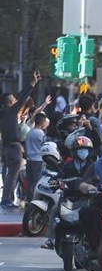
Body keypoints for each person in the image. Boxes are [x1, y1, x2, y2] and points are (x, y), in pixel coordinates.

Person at [1, 69, 41, 208]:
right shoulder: (12, 110)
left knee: (8, 174)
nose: (15, 100)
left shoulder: (2, 113)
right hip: (14, 147)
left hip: (4, 147)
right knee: (12, 175)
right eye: (13, 99)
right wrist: (32, 83)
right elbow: (24, 97)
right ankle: (6, 200)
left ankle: (7, 198)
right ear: (9, 102)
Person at [25, 112, 49, 203]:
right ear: (43, 123)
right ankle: (35, 200)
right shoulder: (40, 134)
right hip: (38, 160)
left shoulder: (30, 132)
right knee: (37, 181)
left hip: (29, 159)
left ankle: (29, 199)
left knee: (30, 181)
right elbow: (44, 145)